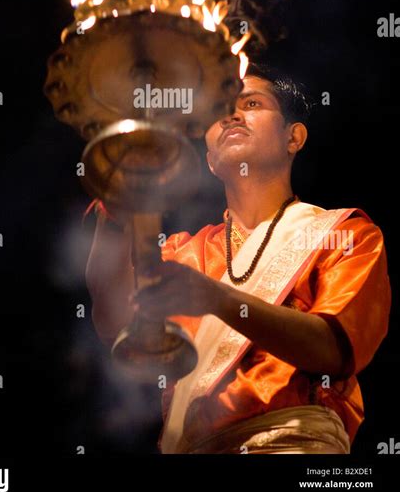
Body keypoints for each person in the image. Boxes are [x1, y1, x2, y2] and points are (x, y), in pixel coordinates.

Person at [85, 63, 391, 454]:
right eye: (218, 110)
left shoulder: (344, 235)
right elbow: (112, 315)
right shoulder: (181, 251)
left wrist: (217, 299)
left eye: (251, 103)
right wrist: (117, 193)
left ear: (293, 137)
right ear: (211, 159)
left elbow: (333, 351)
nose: (231, 114)